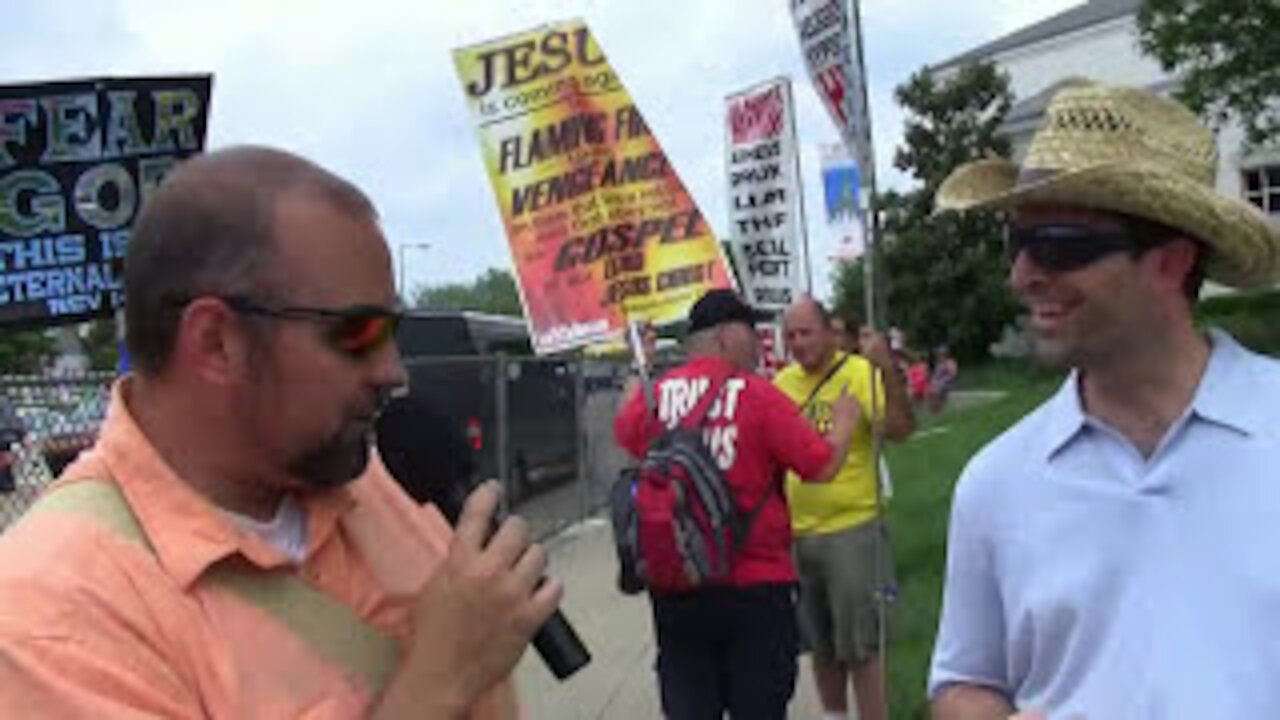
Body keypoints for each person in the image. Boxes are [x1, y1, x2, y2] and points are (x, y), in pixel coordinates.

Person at [0, 146, 561, 718]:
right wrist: (437, 683)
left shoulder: (376, 481)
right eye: (359, 331)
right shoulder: (52, 613)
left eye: (393, 329)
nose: (392, 370)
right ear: (217, 342)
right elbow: (450, 675)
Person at [928, 80, 1280, 718]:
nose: (1022, 275)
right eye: (1017, 243)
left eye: (1061, 245)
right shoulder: (996, 484)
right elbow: (962, 682)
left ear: (1172, 262)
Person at [613, 288, 861, 720]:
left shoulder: (659, 396)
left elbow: (625, 431)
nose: (761, 341)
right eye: (752, 330)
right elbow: (819, 466)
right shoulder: (757, 395)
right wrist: (842, 425)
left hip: (678, 584)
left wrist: (640, 365)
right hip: (756, 587)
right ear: (727, 336)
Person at [775, 297, 915, 720]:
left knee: (861, 646)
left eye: (806, 333)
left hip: (852, 529)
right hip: (799, 534)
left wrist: (884, 369)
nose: (798, 343)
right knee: (821, 646)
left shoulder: (857, 374)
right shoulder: (781, 385)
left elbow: (900, 429)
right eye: (790, 335)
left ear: (829, 333)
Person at [926, 344, 959, 414]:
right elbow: (935, 375)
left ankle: (939, 411)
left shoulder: (950, 362)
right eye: (939, 354)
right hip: (939, 383)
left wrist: (940, 382)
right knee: (929, 391)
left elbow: (953, 374)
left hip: (947, 384)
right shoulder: (939, 364)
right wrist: (933, 382)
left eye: (941, 354)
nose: (940, 356)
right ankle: (934, 411)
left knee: (935, 391)